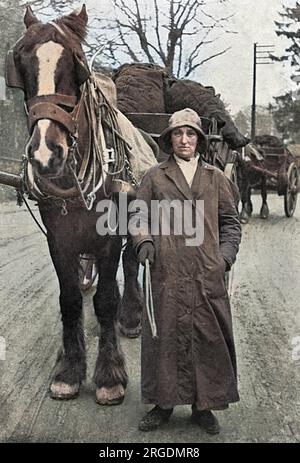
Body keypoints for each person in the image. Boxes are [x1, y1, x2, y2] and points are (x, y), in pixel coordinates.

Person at [128, 108, 242, 434]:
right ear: (169, 139)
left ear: (199, 140)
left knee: (207, 338)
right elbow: (137, 216)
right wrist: (144, 242)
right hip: (167, 272)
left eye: (191, 133)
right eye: (178, 134)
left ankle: (202, 407)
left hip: (207, 273)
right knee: (164, 337)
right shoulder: (154, 177)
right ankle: (162, 405)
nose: (184, 139)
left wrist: (224, 258)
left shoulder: (215, 178)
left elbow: (231, 224)